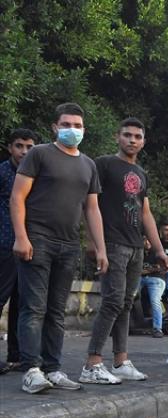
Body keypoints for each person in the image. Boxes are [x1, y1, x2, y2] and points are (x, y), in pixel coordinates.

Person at [10, 102, 107, 394]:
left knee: (56, 310)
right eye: (66, 125)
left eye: (77, 126)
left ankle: (53, 369)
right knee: (34, 307)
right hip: (37, 238)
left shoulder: (88, 165)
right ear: (55, 127)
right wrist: (21, 237)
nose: (72, 130)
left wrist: (99, 248)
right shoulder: (39, 154)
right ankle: (31, 369)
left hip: (68, 244)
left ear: (84, 129)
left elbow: (92, 209)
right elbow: (17, 197)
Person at [79, 118, 168, 384]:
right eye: (127, 135)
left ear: (143, 142)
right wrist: (94, 244)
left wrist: (160, 251)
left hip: (135, 245)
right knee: (112, 301)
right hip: (112, 243)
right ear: (117, 137)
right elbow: (89, 204)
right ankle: (92, 363)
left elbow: (145, 213)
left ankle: (120, 361)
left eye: (137, 136)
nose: (132, 140)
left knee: (127, 303)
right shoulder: (103, 164)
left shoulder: (142, 173)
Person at [0, 128, 37, 375]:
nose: (24, 151)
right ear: (10, 148)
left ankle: (15, 355)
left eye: (29, 147)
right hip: (3, 243)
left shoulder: (37, 174)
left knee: (21, 302)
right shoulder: (2, 172)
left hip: (28, 244)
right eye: (19, 146)